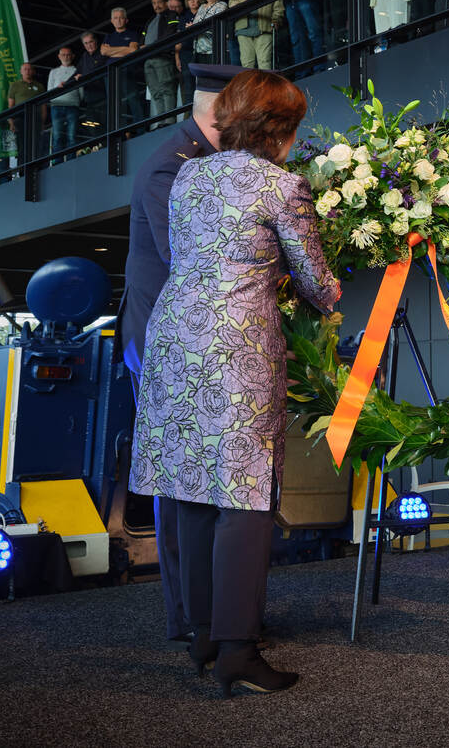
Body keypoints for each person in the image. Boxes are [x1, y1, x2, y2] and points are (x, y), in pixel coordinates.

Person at [130, 70, 339, 697]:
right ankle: (238, 652)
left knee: (192, 490)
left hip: (174, 341)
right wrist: (322, 292)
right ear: (280, 129)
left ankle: (202, 635)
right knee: (245, 500)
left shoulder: (190, 173)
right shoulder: (283, 186)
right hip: (236, 351)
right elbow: (318, 282)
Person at [118, 62, 244, 652]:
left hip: (192, 338)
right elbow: (195, 258)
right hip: (167, 343)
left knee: (204, 480)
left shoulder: (205, 162)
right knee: (182, 482)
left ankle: (214, 611)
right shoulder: (173, 168)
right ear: (220, 112)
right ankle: (190, 617)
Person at [100, 6, 146, 125]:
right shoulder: (108, 36)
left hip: (127, 71)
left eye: (121, 18)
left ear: (126, 20)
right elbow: (104, 52)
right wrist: (124, 49)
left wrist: (112, 51)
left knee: (133, 100)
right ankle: (118, 131)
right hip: (110, 74)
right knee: (114, 103)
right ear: (111, 21)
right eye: (115, 18)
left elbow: (133, 50)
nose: (118, 20)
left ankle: (140, 128)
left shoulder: (132, 34)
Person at [142, 0, 181, 125]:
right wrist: (143, 47)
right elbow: (142, 39)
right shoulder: (149, 21)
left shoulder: (171, 14)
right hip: (148, 60)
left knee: (167, 89)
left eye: (159, 2)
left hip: (163, 57)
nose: (156, 5)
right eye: (154, 3)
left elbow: (170, 33)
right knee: (156, 92)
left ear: (165, 3)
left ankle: (169, 121)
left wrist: (150, 46)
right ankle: (160, 122)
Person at [47, 45, 82, 156]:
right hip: (56, 106)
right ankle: (58, 163)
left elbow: (81, 90)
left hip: (72, 106)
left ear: (72, 56)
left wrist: (77, 101)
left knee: (72, 136)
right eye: (63, 55)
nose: (66, 57)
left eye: (68, 55)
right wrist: (58, 88)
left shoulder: (77, 70)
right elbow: (49, 91)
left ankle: (71, 161)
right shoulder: (53, 72)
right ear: (59, 56)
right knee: (57, 136)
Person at [75, 31, 107, 132]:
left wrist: (83, 76)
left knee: (105, 122)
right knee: (92, 125)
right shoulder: (85, 56)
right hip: (90, 99)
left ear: (96, 41)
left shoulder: (102, 51)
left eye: (91, 42)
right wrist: (64, 84)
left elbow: (97, 68)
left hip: (103, 96)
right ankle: (98, 146)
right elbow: (77, 72)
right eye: (86, 43)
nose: (89, 45)